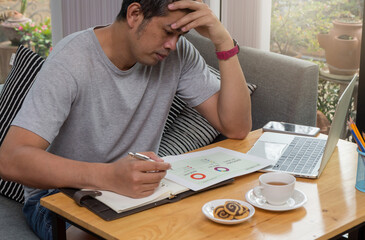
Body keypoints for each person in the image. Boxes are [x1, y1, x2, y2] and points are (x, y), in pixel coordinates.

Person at [0, 0, 252, 239]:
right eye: (167, 31)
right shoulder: (71, 60)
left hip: (140, 191)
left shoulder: (178, 54)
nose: (172, 45)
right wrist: (109, 176)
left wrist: (223, 41)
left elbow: (237, 127)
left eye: (180, 36)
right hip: (62, 195)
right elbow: (10, 158)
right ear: (134, 15)